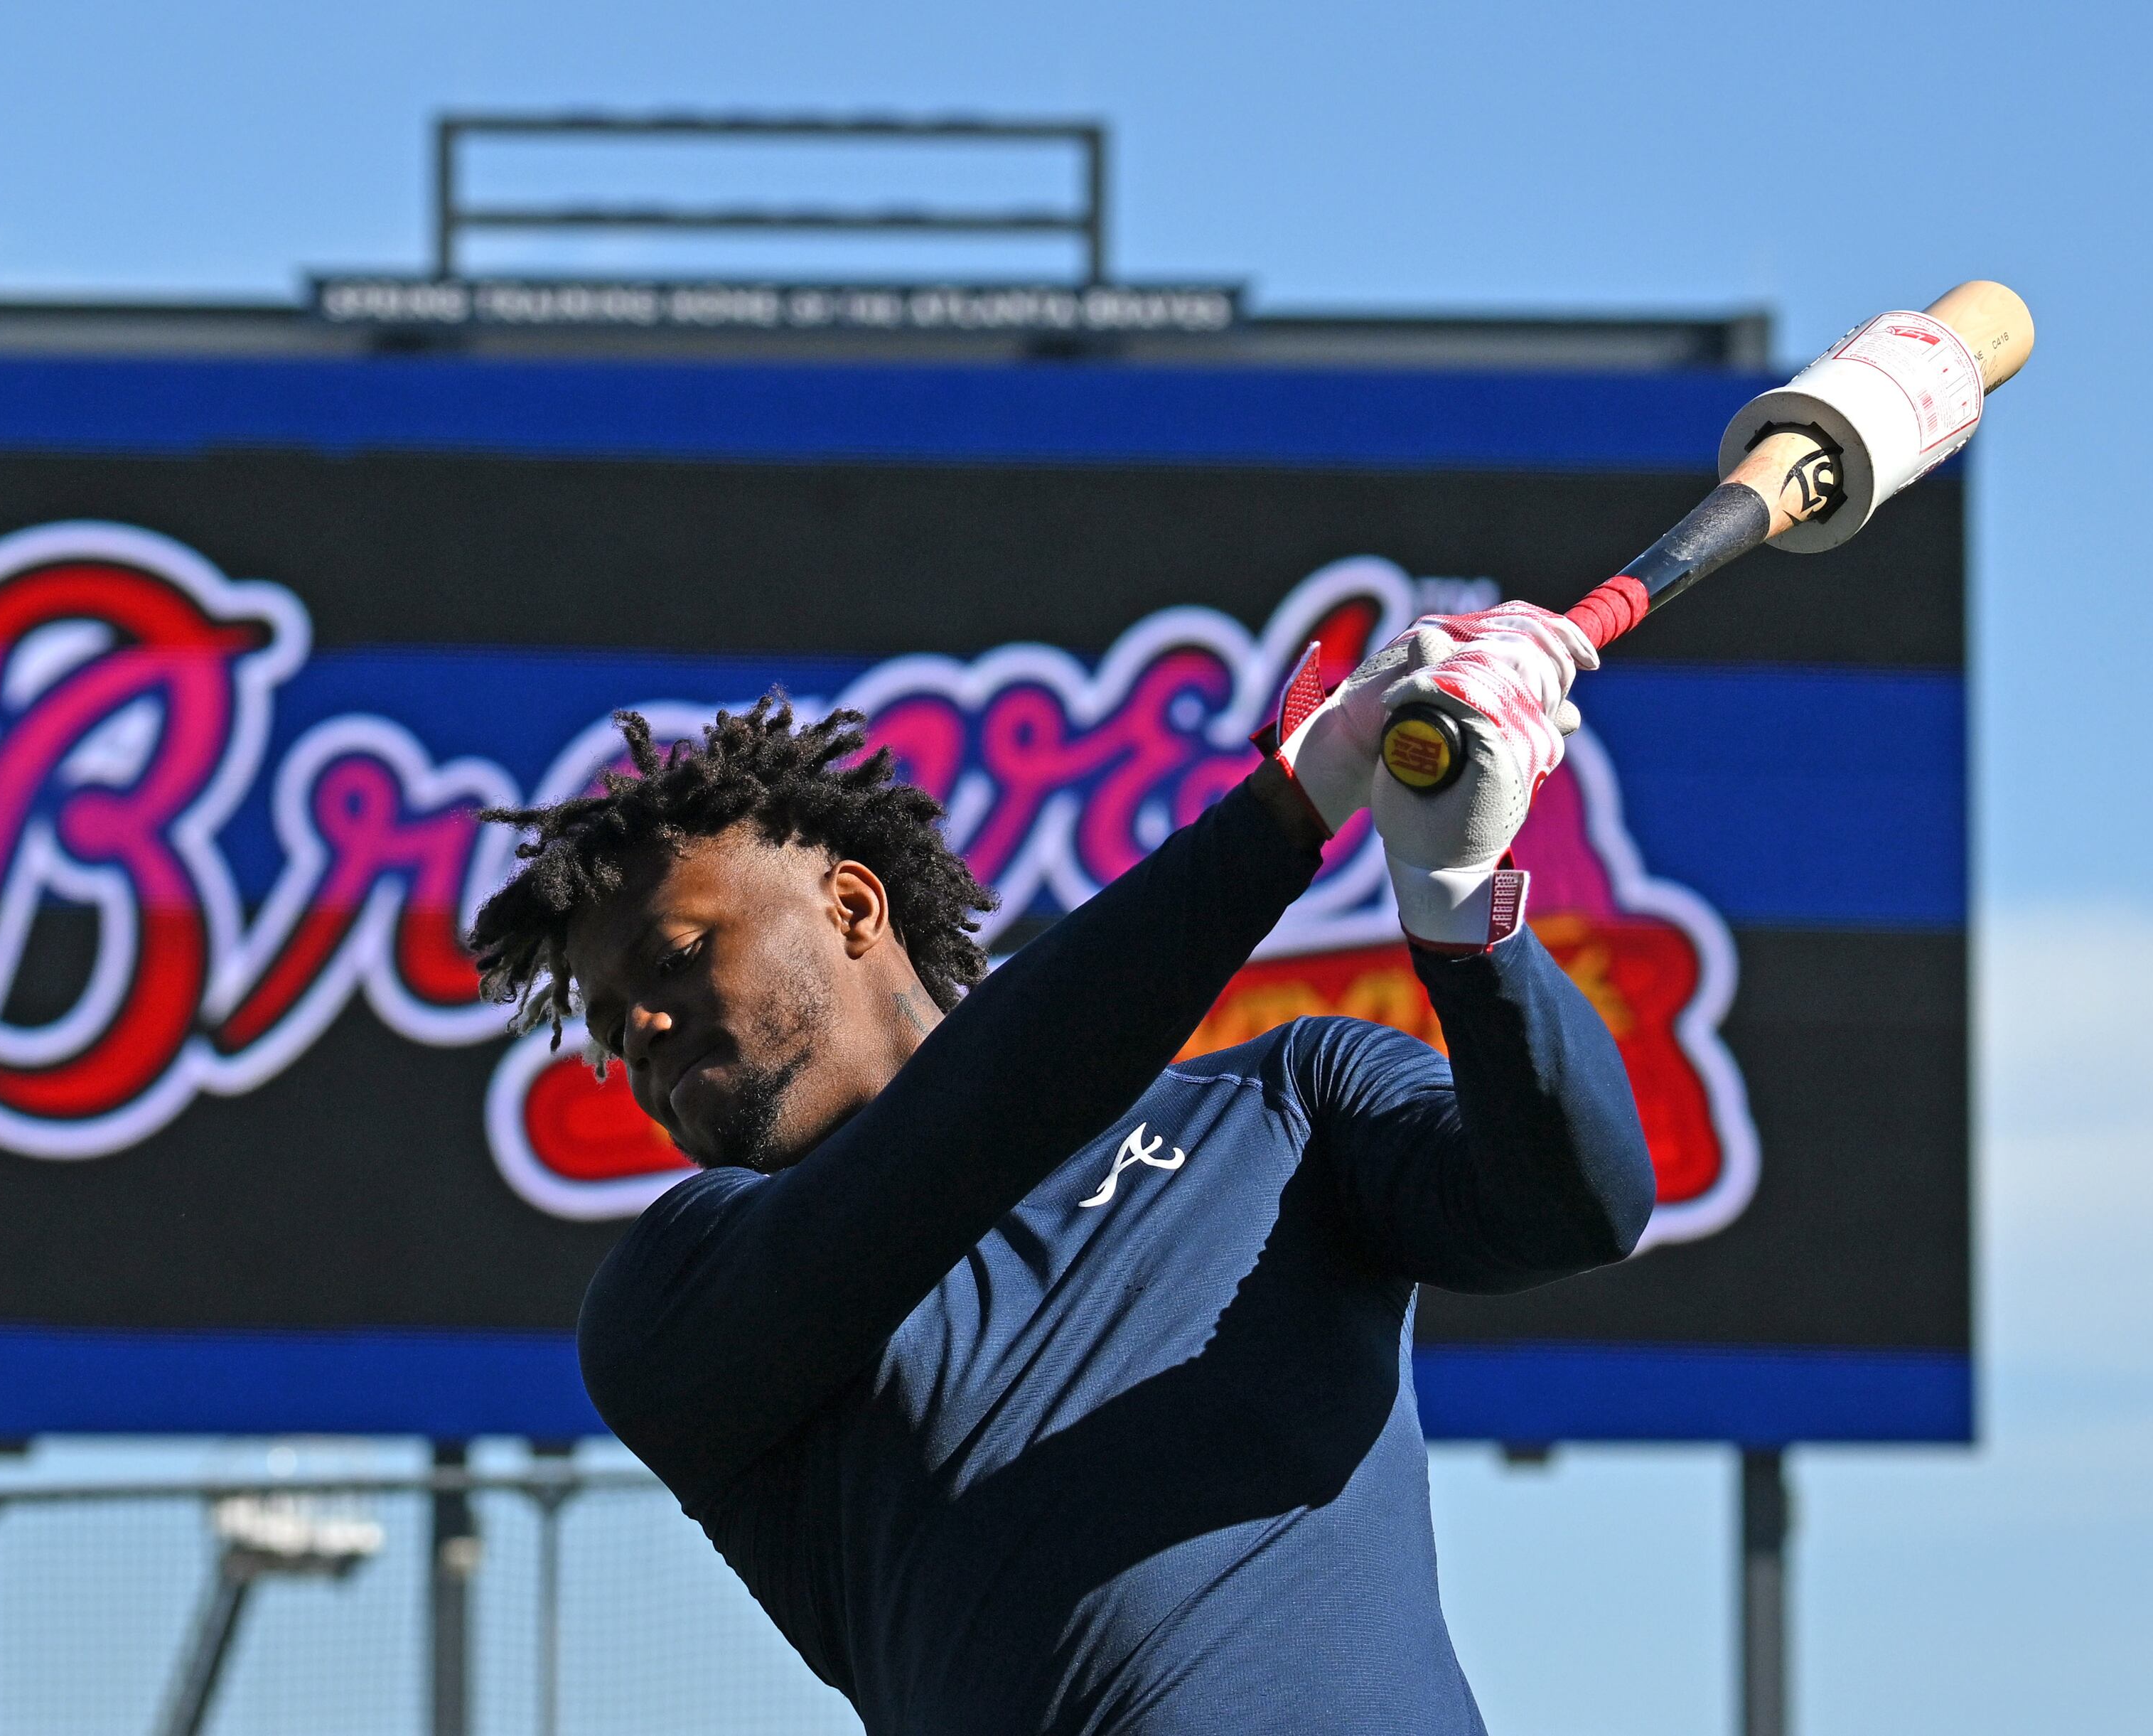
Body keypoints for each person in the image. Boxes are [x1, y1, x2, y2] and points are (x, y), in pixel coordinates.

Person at [467, 601, 1654, 1735]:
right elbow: (982, 1111)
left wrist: (1465, 914)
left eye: (674, 960)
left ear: (852, 903)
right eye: (613, 1029)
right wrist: (1293, 801)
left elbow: (1580, 1208)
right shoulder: (669, 1304)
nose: (641, 1038)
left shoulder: (1292, 1101)